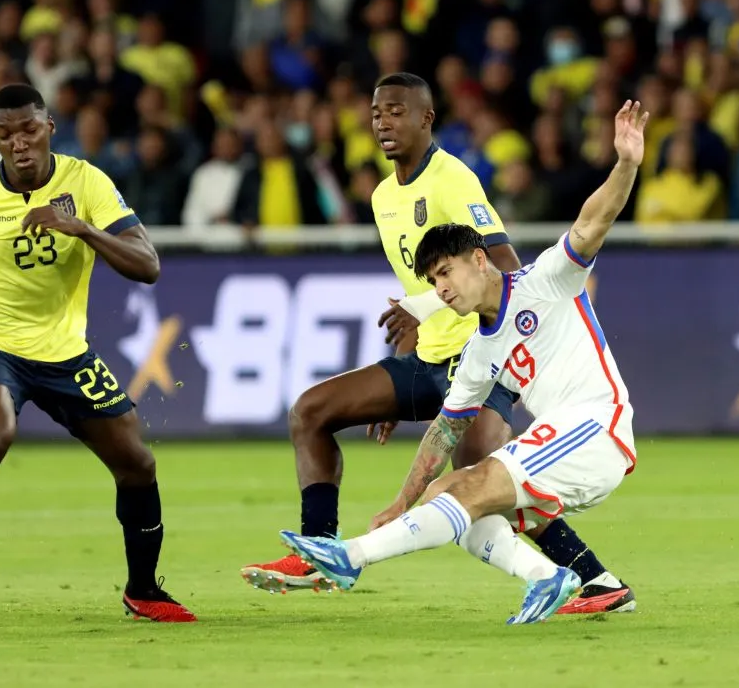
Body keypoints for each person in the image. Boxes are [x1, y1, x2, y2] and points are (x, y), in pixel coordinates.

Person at [242, 72, 633, 615]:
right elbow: (421, 294)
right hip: (439, 361)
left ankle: (589, 578)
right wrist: (404, 369)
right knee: (317, 415)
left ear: (426, 118)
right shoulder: (382, 199)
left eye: (396, 111)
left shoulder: (455, 182)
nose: (383, 121)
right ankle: (322, 551)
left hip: (508, 374)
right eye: (376, 111)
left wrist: (627, 163)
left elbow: (508, 263)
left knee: (482, 487)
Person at [0, 83, 196, 623]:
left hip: (66, 353)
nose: (18, 143)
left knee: (138, 464)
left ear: (49, 128)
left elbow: (148, 265)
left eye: (27, 130)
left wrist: (82, 228)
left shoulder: (87, 182)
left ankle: (142, 590)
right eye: (4, 134)